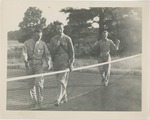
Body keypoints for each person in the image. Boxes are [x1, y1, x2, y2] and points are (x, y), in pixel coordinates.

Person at [22, 29, 52, 109]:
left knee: (39, 83)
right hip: (29, 65)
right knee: (30, 85)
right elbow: (24, 53)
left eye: (40, 36)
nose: (39, 37)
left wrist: (48, 62)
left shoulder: (43, 44)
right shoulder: (27, 43)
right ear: (33, 34)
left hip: (39, 65)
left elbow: (47, 54)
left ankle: (40, 102)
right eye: (37, 36)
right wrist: (25, 61)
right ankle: (33, 102)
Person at [49, 23, 75, 106]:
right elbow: (51, 52)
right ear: (56, 29)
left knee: (61, 80)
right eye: (57, 29)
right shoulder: (53, 39)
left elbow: (72, 52)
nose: (59, 30)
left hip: (65, 60)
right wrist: (55, 47)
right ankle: (64, 97)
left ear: (63, 29)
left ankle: (58, 99)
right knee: (60, 81)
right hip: (56, 61)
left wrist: (71, 64)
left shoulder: (67, 38)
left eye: (61, 28)